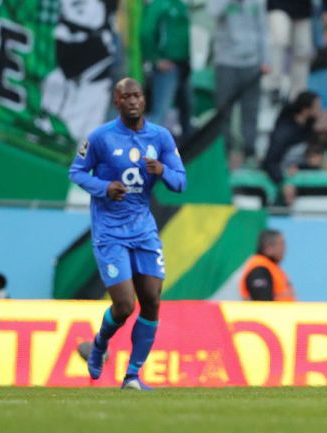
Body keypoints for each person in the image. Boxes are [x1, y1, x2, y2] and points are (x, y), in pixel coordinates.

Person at [68, 78, 187, 390]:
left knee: (152, 299)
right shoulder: (100, 137)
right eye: (126, 96)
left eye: (137, 95)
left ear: (144, 100)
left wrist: (162, 170)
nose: (133, 101)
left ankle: (132, 376)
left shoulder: (160, 137)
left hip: (144, 230)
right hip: (110, 231)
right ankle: (98, 345)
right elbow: (76, 172)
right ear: (117, 101)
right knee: (124, 305)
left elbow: (180, 181)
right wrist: (104, 188)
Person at [208, 0, 271, 168]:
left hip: (252, 62)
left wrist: (265, 59)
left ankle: (249, 152)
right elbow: (212, 12)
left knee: (250, 111)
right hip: (226, 61)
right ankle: (225, 152)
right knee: (224, 110)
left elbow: (263, 28)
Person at [140, 0, 193, 138]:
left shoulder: (181, 5)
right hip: (167, 67)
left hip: (184, 64)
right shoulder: (159, 5)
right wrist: (155, 59)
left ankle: (189, 149)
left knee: (187, 108)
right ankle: (146, 149)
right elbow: (145, 32)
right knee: (161, 113)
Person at [261, 91, 322, 205]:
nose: (320, 110)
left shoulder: (308, 127)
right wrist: (283, 182)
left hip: (298, 175)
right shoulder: (284, 132)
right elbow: (270, 161)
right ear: (305, 109)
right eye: (317, 107)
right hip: (281, 176)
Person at [240, 229, 295, 301]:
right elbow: (262, 302)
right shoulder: (259, 269)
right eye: (281, 244)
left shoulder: (272, 268)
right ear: (268, 248)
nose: (284, 249)